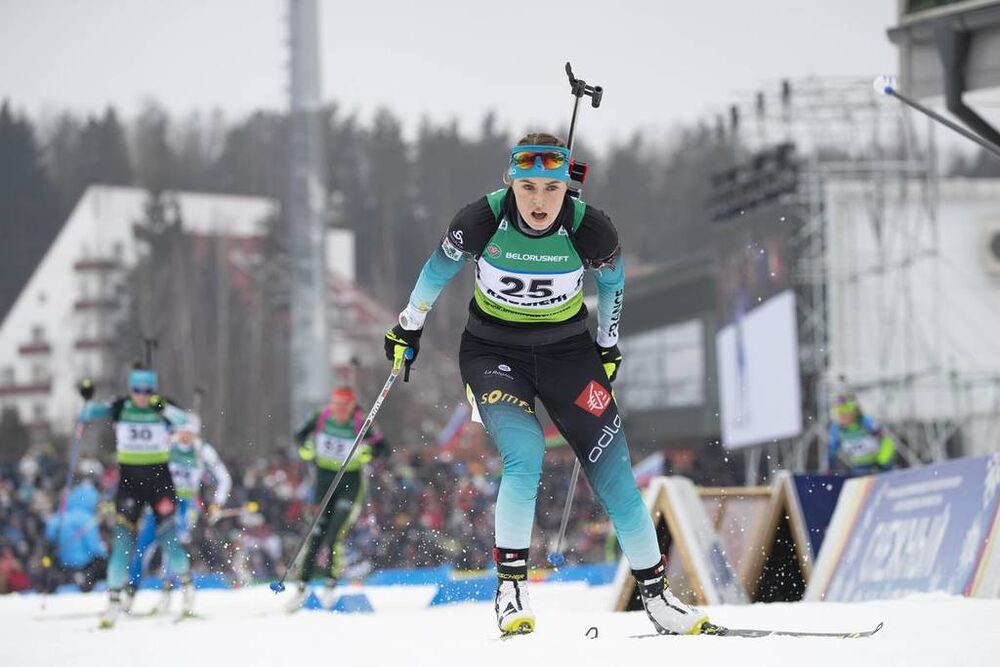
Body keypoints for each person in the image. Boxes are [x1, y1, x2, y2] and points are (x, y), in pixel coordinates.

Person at [383, 134, 708, 636]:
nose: (539, 201)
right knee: (525, 450)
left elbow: (613, 283)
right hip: (494, 354)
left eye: (551, 188)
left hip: (568, 356)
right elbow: (437, 270)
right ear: (510, 181)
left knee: (614, 471)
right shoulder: (480, 221)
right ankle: (511, 590)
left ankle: (658, 598)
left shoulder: (591, 229)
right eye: (528, 186)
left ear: (566, 188)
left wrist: (608, 345)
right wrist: (409, 324)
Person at [78, 366, 193, 628]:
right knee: (122, 543)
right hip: (129, 483)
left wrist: (164, 408)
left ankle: (187, 590)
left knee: (169, 539)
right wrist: (86, 395)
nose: (142, 396)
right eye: (138, 390)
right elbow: (86, 414)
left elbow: (185, 422)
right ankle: (114, 599)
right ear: (131, 389)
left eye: (148, 390)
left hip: (160, 482)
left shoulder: (160, 406)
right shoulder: (120, 406)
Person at [285, 386, 386, 611]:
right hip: (323, 482)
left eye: (344, 406)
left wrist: (368, 453)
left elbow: (383, 448)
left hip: (350, 484)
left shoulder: (361, 421)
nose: (339, 411)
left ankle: (330, 586)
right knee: (315, 535)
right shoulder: (321, 416)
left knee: (333, 536)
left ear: (352, 407)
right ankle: (302, 586)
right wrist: (306, 448)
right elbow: (300, 437)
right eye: (336, 405)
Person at [127, 413, 231, 613]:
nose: (186, 437)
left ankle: (168, 593)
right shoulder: (167, 444)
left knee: (172, 546)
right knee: (142, 547)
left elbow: (224, 478)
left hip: (186, 506)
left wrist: (217, 502)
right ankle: (129, 593)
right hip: (162, 502)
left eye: (190, 433)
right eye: (183, 432)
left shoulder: (202, 450)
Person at [44, 479, 107, 592]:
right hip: (84, 564)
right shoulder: (87, 519)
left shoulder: (59, 517)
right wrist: (104, 552)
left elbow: (49, 537)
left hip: (63, 565)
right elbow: (94, 548)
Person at [827, 393, 897, 476]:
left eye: (846, 412)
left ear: (854, 412)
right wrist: (830, 467)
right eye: (839, 413)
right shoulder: (837, 429)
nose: (842, 416)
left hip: (880, 465)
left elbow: (887, 442)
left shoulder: (866, 422)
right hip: (859, 467)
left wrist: (881, 463)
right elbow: (832, 450)